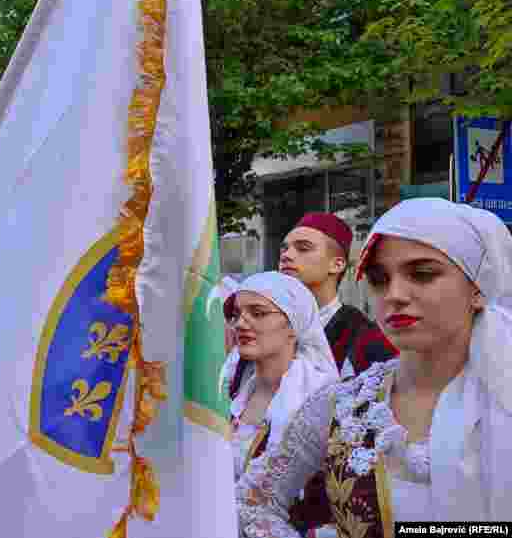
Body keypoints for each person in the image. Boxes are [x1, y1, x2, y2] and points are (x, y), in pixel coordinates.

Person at [238, 198, 512, 537]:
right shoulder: (344, 404)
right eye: (379, 278)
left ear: (478, 288)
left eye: (422, 274)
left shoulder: (503, 397)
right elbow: (255, 502)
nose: (394, 294)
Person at [218, 272, 339, 480]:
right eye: (236, 315)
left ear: (293, 324)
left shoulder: (318, 396)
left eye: (258, 313)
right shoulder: (234, 391)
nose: (240, 324)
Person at [279, 212, 397, 377]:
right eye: (284, 249)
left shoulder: (366, 340)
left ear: (337, 264)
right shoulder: (266, 329)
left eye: (303, 248)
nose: (286, 256)